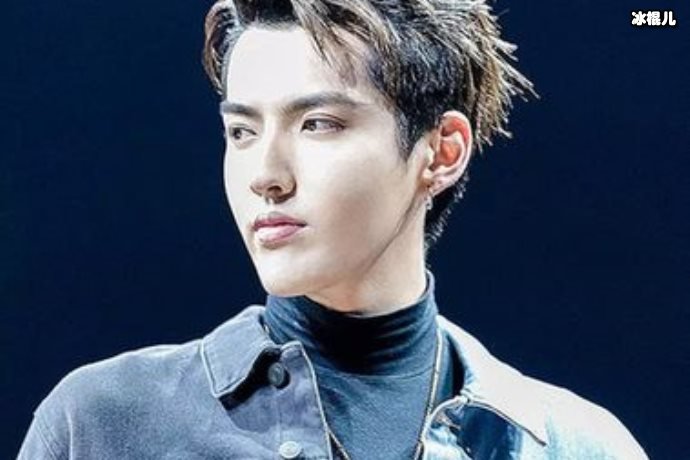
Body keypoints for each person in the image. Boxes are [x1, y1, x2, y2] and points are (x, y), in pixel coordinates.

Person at [18, 0, 648, 458]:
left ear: (442, 151)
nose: (266, 176)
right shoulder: (102, 425)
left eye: (317, 124)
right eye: (242, 131)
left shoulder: (576, 445)